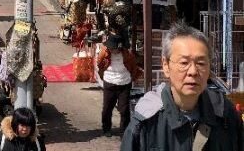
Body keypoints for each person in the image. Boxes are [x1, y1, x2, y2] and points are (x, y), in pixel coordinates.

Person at [120, 22, 244, 151]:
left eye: (201, 63)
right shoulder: (146, 121)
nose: (193, 71)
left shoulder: (225, 114)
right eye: (184, 62)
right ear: (166, 65)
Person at [97, 33, 137, 136]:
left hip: (124, 83)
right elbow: (100, 65)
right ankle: (106, 129)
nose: (111, 50)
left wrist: (131, 78)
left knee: (124, 109)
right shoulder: (104, 52)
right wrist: (103, 77)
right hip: (109, 83)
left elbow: (133, 67)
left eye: (113, 48)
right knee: (107, 108)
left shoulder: (127, 54)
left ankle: (124, 130)